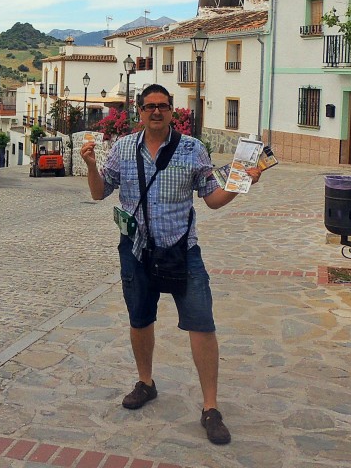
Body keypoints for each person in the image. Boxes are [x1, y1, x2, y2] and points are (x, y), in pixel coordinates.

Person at [81, 83, 262, 445]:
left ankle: (211, 407)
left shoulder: (193, 149)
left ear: (172, 110)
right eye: (150, 107)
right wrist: (90, 165)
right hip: (136, 251)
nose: (156, 112)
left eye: (163, 106)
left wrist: (244, 183)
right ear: (139, 111)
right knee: (140, 318)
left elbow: (211, 199)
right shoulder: (122, 149)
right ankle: (145, 383)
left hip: (182, 251)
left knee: (202, 324)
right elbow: (99, 192)